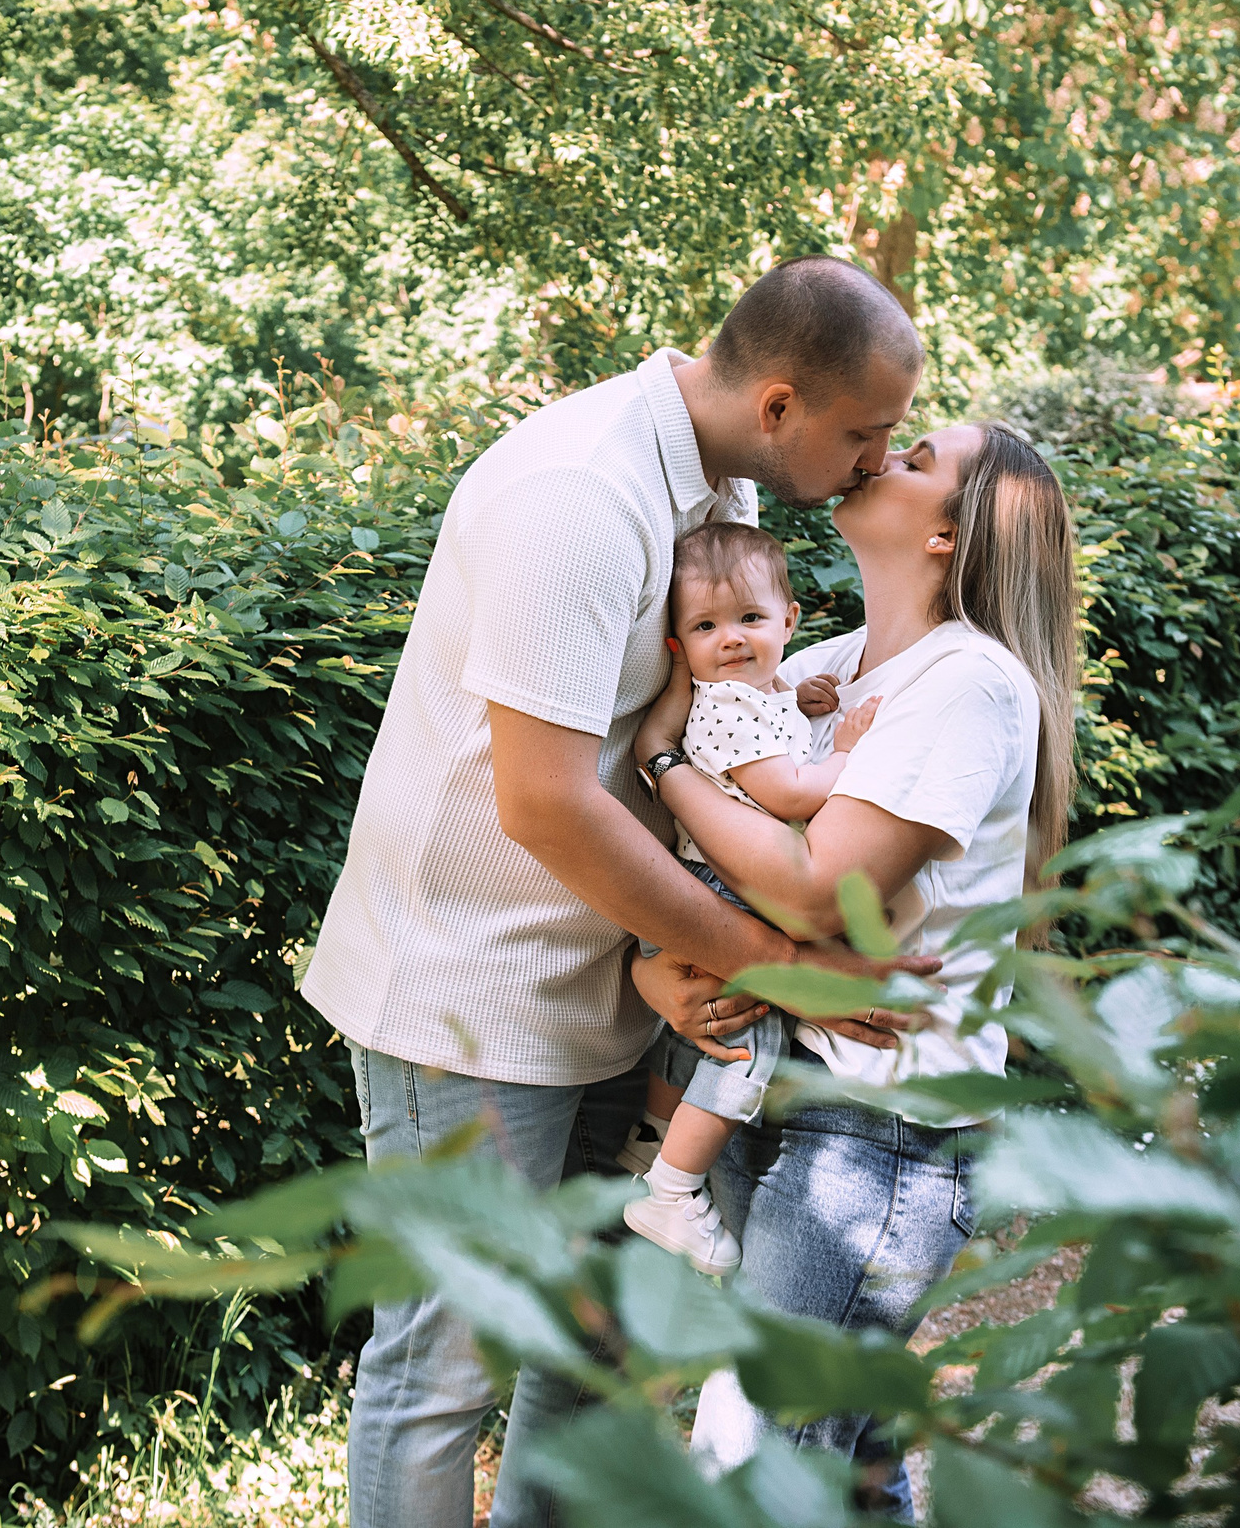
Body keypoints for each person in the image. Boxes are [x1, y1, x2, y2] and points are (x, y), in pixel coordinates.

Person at [299, 256, 939, 1528]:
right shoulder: (579, 496)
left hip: (614, 968)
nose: (876, 459)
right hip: (467, 983)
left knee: (594, 1343)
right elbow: (542, 800)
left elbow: (692, 727)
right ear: (777, 402)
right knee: (444, 1360)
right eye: (862, 431)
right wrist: (766, 955)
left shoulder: (719, 481)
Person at [630, 420, 1081, 1521]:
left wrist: (663, 763)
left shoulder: (970, 679)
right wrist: (658, 970)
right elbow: (732, 876)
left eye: (919, 456)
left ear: (946, 534)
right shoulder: (820, 666)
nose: (883, 454)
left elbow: (819, 891)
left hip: (878, 1131)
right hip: (769, 1085)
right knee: (849, 1462)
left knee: (748, 1462)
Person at [619, 519, 880, 1275]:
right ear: (679, 645)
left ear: (789, 621)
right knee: (747, 1040)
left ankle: (654, 1136)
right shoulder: (725, 706)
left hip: (702, 884)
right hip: (716, 889)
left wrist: (798, 696)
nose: (730, 640)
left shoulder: (757, 695)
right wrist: (852, 752)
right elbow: (787, 791)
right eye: (705, 626)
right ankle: (672, 1189)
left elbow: (765, 729)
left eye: (750, 620)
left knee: (699, 1030)